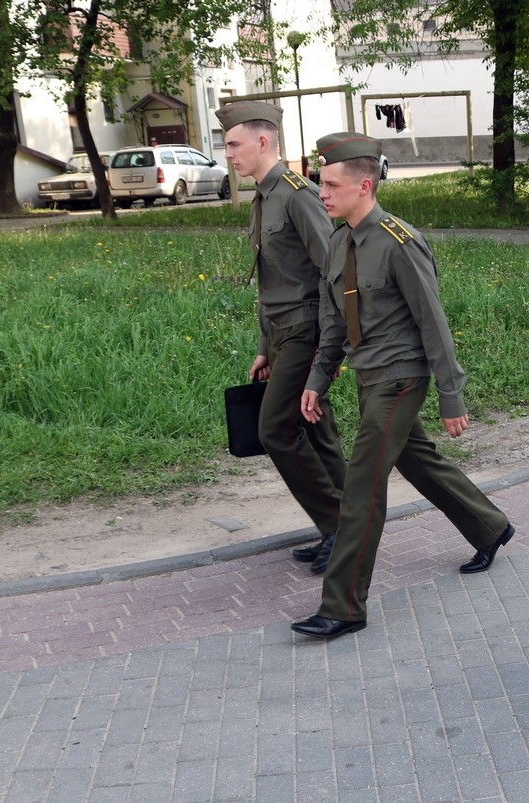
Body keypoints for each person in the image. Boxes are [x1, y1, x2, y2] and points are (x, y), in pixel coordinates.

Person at [290, 132, 515, 641]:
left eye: (330, 185)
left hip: (401, 377)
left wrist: (451, 396)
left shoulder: (399, 242)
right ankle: (490, 526)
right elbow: (333, 321)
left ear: (364, 185)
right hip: (367, 376)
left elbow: (433, 323)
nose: (321, 193)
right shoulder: (338, 242)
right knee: (415, 459)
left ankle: (344, 606)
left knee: (362, 488)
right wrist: (318, 379)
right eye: (320, 183)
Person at [215, 101, 347, 575]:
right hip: (282, 332)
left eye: (234, 143)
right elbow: (271, 281)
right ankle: (349, 525)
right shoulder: (264, 196)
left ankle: (339, 528)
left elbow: (332, 273)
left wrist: (330, 350)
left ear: (262, 141)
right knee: (315, 429)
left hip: (307, 330)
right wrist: (263, 347)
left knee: (275, 429)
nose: (228, 153)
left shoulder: (296, 195)